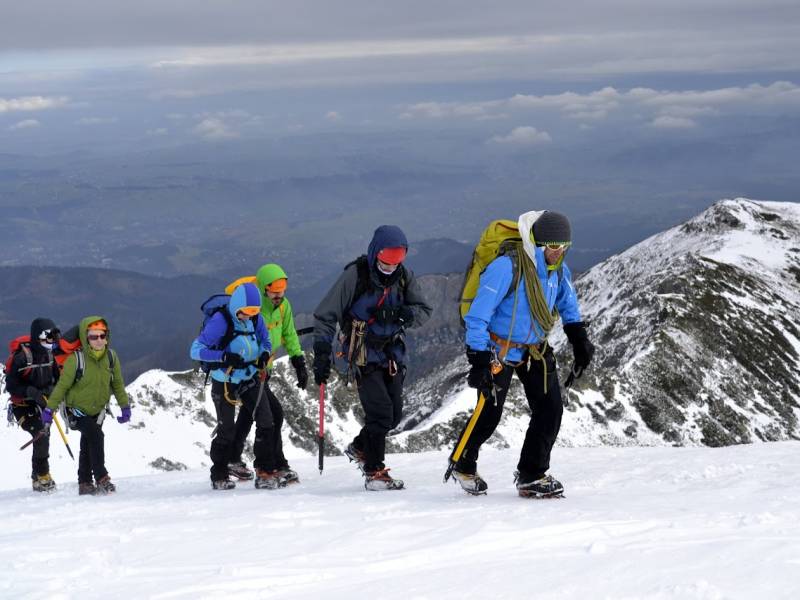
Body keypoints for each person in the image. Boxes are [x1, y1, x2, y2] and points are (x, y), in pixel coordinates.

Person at [457, 211, 595, 498]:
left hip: (534, 348)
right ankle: (463, 462)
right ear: (537, 243)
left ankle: (532, 474)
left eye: (564, 247)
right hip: (498, 348)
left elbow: (567, 303)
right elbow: (477, 316)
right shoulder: (506, 267)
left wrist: (578, 338)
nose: (559, 253)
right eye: (553, 247)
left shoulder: (558, 271)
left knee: (550, 408)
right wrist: (479, 359)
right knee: (490, 413)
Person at [313, 225, 432, 491]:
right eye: (385, 262)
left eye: (396, 262)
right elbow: (326, 314)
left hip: (392, 353)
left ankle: (359, 447)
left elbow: (424, 309)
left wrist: (405, 316)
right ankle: (374, 471)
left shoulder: (404, 277)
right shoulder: (356, 276)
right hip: (362, 353)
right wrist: (322, 351)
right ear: (374, 254)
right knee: (380, 413)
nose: (390, 268)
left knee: (393, 417)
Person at [190, 282, 277, 490]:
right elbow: (195, 350)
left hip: (250, 376)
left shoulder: (256, 319)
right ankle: (219, 473)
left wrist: (264, 353)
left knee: (266, 420)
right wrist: (224, 356)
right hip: (225, 380)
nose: (248, 316)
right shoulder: (221, 321)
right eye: (245, 312)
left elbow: (265, 341)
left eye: (253, 312)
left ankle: (265, 470)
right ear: (237, 306)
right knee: (226, 429)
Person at [227, 263, 308, 484]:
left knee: (249, 414)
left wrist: (298, 361)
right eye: (274, 292)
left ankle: (232, 457)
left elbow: (289, 333)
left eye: (282, 291)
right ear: (263, 289)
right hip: (248, 373)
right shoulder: (253, 308)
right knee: (272, 415)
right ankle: (269, 465)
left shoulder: (283, 307)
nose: (278, 296)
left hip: (264, 370)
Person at [43, 316, 131, 496]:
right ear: (85, 338)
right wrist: (49, 409)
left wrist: (125, 406)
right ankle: (101, 477)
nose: (99, 340)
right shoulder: (76, 360)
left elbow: (118, 384)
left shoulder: (111, 357)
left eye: (102, 335)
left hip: (97, 411)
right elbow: (62, 387)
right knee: (96, 435)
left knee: (88, 442)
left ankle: (84, 482)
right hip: (75, 411)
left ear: (107, 336)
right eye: (93, 336)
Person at [5, 318, 61, 492]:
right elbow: (11, 385)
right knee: (41, 433)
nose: (53, 341)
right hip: (22, 405)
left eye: (54, 336)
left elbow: (57, 379)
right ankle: (43, 475)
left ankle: (36, 477)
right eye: (49, 336)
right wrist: (31, 392)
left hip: (42, 403)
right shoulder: (22, 357)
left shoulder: (50, 355)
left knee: (43, 436)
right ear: (39, 337)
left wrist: (51, 394)